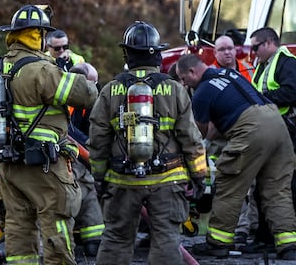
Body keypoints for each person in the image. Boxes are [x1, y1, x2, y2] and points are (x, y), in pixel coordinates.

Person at [88, 21, 207, 265]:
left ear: (127, 54)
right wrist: (199, 177)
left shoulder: (110, 90)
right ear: (158, 54)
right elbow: (191, 139)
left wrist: (99, 178)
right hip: (167, 180)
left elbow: (98, 140)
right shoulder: (174, 89)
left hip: (122, 180)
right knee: (166, 239)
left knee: (116, 239)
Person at [0, 4, 98, 265]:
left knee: (18, 225)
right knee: (58, 220)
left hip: (8, 164)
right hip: (43, 165)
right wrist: (79, 75)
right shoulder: (41, 70)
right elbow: (86, 95)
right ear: (37, 35)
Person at [175, 53, 296, 259]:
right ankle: (288, 244)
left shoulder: (202, 92)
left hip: (252, 128)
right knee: (277, 189)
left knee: (229, 185)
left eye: (183, 79)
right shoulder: (229, 73)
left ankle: (218, 242)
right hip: (277, 123)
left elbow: (199, 134)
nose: (183, 84)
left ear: (192, 71)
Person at [249, 27, 296, 255]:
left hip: (294, 128)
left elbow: (290, 94)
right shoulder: (263, 66)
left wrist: (258, 99)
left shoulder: (288, 62)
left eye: (256, 47)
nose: (253, 52)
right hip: (271, 129)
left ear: (269, 43)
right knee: (264, 182)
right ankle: (266, 238)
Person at [212, 34, 259, 246]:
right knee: (229, 183)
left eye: (230, 48)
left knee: (253, 183)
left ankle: (250, 227)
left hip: (249, 133)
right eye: (222, 49)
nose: (228, 52)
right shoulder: (210, 74)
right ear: (215, 53)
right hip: (222, 137)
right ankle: (235, 229)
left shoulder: (248, 69)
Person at [66, 62, 104, 258]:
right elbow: (68, 130)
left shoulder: (89, 103)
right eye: (92, 83)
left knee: (86, 193)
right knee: (77, 192)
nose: (94, 88)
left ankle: (93, 239)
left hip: (80, 157)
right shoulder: (65, 101)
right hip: (68, 157)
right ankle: (86, 240)